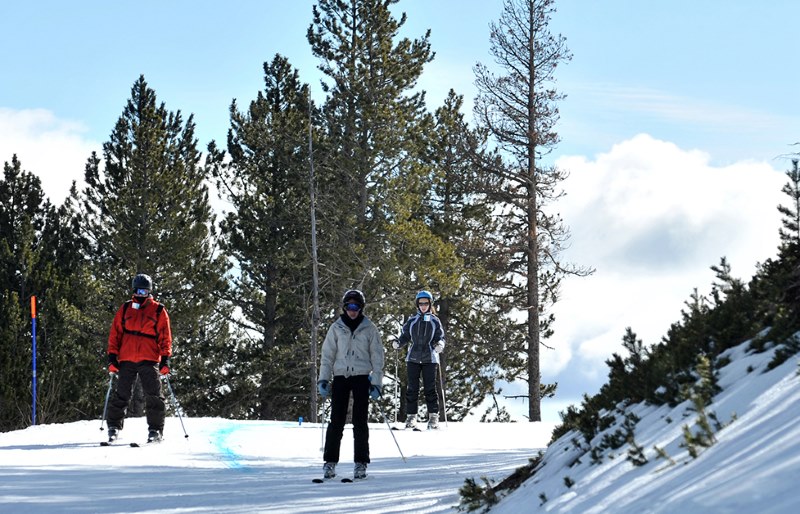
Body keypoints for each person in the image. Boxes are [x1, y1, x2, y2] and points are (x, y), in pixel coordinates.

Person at [317, 289, 385, 480]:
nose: (352, 310)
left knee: (360, 422)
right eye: (349, 306)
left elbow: (377, 357)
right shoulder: (336, 328)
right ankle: (330, 462)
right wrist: (323, 379)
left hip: (362, 377)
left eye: (356, 306)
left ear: (361, 308)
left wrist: (377, 383)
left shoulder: (369, 328)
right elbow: (327, 356)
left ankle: (361, 463)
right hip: (341, 376)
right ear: (344, 307)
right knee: (336, 422)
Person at [105, 273, 173, 444]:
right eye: (138, 291)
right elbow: (115, 334)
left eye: (144, 292)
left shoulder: (158, 310)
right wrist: (112, 357)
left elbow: (165, 337)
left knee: (154, 395)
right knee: (121, 394)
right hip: (126, 358)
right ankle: (113, 427)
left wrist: (165, 360)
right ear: (134, 291)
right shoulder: (126, 308)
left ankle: (155, 430)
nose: (141, 295)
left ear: (149, 292)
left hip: (149, 358)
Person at [393, 290, 445, 430]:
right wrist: (399, 343)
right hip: (413, 358)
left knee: (430, 389)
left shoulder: (435, 320)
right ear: (417, 304)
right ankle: (411, 417)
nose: (423, 306)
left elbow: (440, 337)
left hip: (430, 358)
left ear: (430, 304)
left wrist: (440, 345)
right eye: (420, 303)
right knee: (412, 388)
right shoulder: (412, 320)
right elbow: (405, 336)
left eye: (426, 303)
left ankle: (433, 417)